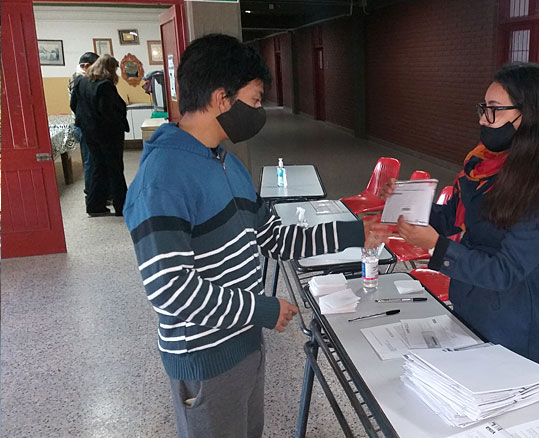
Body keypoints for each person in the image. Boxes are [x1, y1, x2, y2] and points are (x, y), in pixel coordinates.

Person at [122, 34, 387, 438]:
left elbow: (274, 238)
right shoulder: (162, 180)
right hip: (206, 357)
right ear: (221, 98)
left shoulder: (226, 164)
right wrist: (261, 310)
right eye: (257, 99)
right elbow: (171, 292)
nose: (259, 111)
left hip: (243, 343)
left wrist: (355, 231)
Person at [381, 63, 539, 369]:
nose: (483, 119)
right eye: (483, 108)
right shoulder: (484, 166)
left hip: (514, 317)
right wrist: (406, 205)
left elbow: (505, 270)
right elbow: (451, 217)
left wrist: (438, 247)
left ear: (530, 115)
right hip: (471, 299)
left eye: (494, 110)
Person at [70, 54, 129, 216]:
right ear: (109, 68)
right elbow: (108, 113)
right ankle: (122, 206)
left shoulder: (80, 82)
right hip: (108, 135)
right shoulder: (105, 86)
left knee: (98, 167)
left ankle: (94, 205)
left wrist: (87, 122)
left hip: (89, 133)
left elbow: (73, 104)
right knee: (115, 169)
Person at [69, 51, 101, 205]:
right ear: (87, 66)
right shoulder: (79, 79)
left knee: (93, 160)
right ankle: (91, 194)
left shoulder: (78, 77)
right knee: (91, 161)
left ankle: (96, 192)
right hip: (84, 126)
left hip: (85, 125)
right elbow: (76, 106)